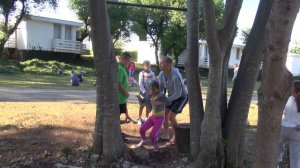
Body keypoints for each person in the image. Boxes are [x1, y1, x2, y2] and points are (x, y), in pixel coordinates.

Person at [157, 56, 188, 145]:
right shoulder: (162, 73)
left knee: (171, 116)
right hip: (171, 95)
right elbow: (161, 87)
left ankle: (176, 137)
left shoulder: (175, 75)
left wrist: (165, 100)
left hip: (182, 97)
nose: (160, 64)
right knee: (165, 114)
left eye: (162, 62)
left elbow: (178, 93)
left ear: (168, 65)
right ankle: (165, 135)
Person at [137, 80, 170, 152]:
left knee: (152, 135)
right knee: (142, 129)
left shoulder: (160, 95)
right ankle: (143, 140)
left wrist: (161, 102)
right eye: (150, 89)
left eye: (152, 89)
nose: (150, 90)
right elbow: (144, 103)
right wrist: (140, 99)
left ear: (156, 88)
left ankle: (156, 146)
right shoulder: (150, 95)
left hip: (160, 118)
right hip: (152, 117)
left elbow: (169, 101)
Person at [277, 81, 300, 168]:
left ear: (293, 89)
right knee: (296, 157)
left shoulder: (287, 99)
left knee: (277, 149)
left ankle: (275, 165)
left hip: (284, 128)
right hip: (298, 132)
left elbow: (279, 112)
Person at [137, 60, 155, 125]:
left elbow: (153, 82)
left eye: (148, 65)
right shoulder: (141, 73)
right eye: (146, 65)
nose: (147, 67)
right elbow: (140, 83)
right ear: (143, 66)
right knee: (142, 105)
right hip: (142, 92)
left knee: (148, 106)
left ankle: (147, 118)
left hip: (150, 93)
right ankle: (139, 118)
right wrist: (145, 91)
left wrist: (151, 91)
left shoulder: (152, 73)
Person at [117, 52, 132, 123]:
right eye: (128, 61)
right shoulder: (119, 68)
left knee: (118, 116)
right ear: (123, 59)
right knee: (116, 117)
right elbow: (118, 83)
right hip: (119, 97)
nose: (128, 63)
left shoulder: (122, 68)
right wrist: (125, 92)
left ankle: (117, 132)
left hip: (122, 98)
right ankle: (116, 133)